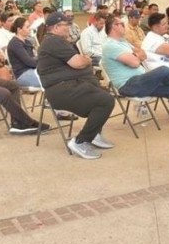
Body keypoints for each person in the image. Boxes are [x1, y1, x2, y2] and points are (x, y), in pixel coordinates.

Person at [37, 11, 115, 160]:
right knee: (106, 101)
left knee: (103, 94)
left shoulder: (56, 41)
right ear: (56, 27)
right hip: (61, 90)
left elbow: (77, 62)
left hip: (67, 86)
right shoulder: (54, 41)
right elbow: (78, 62)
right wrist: (86, 60)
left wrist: (83, 62)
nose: (69, 27)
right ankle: (80, 141)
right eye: (66, 24)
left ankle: (94, 135)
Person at [101, 15, 169, 115]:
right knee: (164, 70)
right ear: (114, 26)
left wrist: (135, 55)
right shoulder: (110, 45)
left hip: (141, 81)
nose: (125, 26)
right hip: (129, 85)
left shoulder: (123, 42)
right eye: (122, 24)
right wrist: (136, 56)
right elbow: (135, 63)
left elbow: (143, 54)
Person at [6, 17, 40, 88]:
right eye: (27, 27)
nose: (29, 29)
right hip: (23, 74)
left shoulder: (27, 42)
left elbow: (34, 59)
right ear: (19, 29)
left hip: (33, 70)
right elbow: (30, 62)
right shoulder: (15, 43)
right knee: (51, 79)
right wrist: (43, 60)